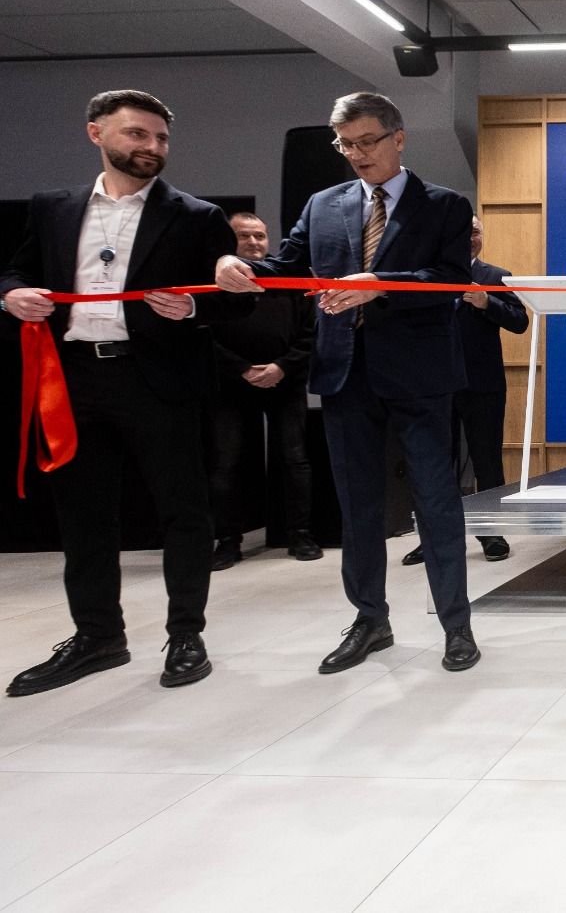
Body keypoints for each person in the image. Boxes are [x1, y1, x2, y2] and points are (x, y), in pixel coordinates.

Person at [215, 92, 481, 673]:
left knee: (436, 501)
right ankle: (369, 620)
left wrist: (378, 284)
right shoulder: (323, 204)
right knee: (358, 505)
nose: (357, 154)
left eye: (367, 141)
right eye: (345, 145)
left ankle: (456, 625)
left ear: (398, 138)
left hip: (420, 375)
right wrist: (238, 265)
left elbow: (450, 278)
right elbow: (286, 265)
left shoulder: (445, 205)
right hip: (344, 372)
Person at [1, 89, 245, 695]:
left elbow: (234, 303)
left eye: (160, 138)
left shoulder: (197, 216)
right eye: (137, 134)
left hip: (157, 379)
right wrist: (11, 295)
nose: (152, 147)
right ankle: (98, 637)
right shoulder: (52, 208)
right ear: (97, 133)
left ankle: (186, 635)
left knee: (184, 512)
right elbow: (18, 270)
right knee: (82, 516)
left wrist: (194, 308)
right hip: (74, 379)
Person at [401, 214, 528, 566]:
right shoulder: (427, 276)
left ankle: (492, 533)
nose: (469, 238)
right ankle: (433, 538)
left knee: (488, 461)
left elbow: (520, 322)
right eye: (461, 232)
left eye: (474, 232)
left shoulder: (497, 276)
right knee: (436, 465)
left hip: (482, 384)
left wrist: (488, 303)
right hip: (435, 386)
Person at [208, 212, 320, 569]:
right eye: (244, 236)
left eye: (259, 235)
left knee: (294, 459)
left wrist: (281, 366)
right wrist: (241, 368)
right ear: (230, 240)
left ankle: (300, 535)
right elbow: (204, 334)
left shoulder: (290, 277)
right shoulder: (214, 281)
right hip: (230, 384)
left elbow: (311, 331)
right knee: (226, 463)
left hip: (284, 381)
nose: (254, 242)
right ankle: (228, 542)